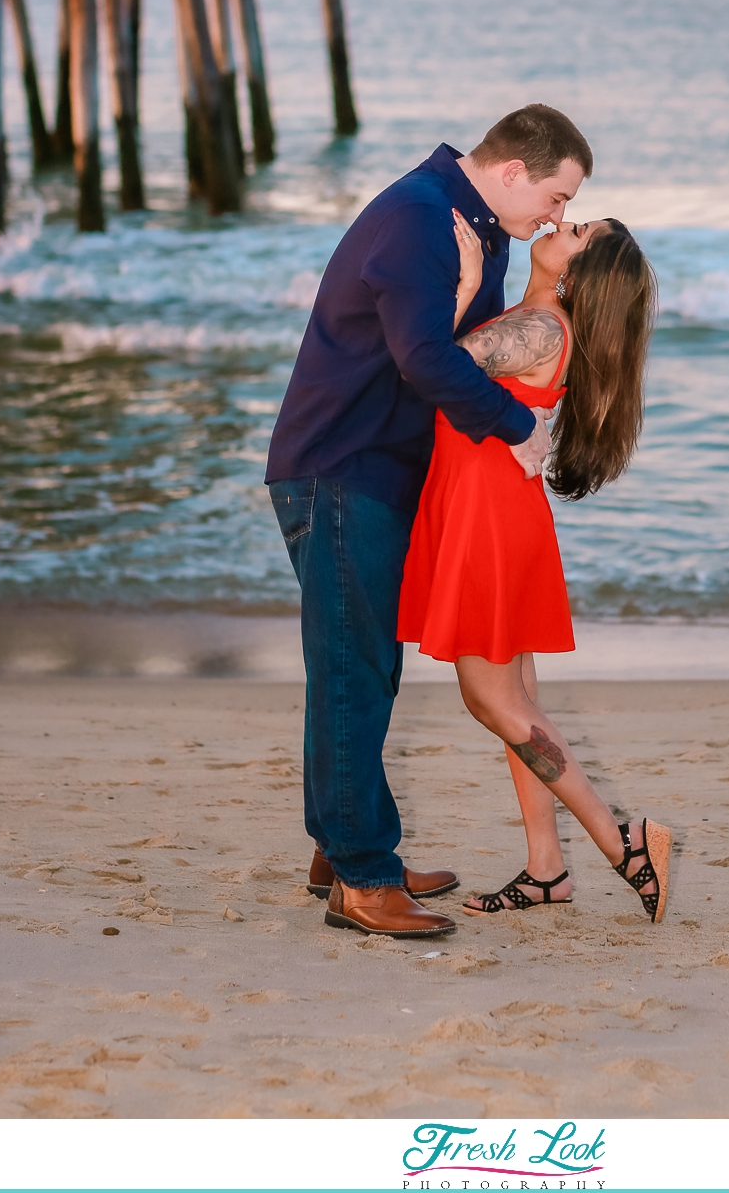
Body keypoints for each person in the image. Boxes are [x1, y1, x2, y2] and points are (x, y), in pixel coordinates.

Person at [265, 105, 593, 939]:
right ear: (516, 169)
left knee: (366, 669)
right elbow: (424, 360)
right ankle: (363, 879)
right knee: (353, 669)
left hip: (376, 467)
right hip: (345, 464)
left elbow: (459, 344)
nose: (557, 215)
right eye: (558, 195)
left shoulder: (474, 226)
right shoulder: (421, 219)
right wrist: (521, 430)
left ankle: (343, 849)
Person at [397, 211, 673, 923]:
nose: (562, 222)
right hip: (496, 514)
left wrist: (458, 288)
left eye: (578, 230)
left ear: (576, 273)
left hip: (486, 522)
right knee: (517, 702)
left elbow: (430, 364)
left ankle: (625, 845)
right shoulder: (534, 317)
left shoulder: (542, 327)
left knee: (494, 703)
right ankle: (547, 869)